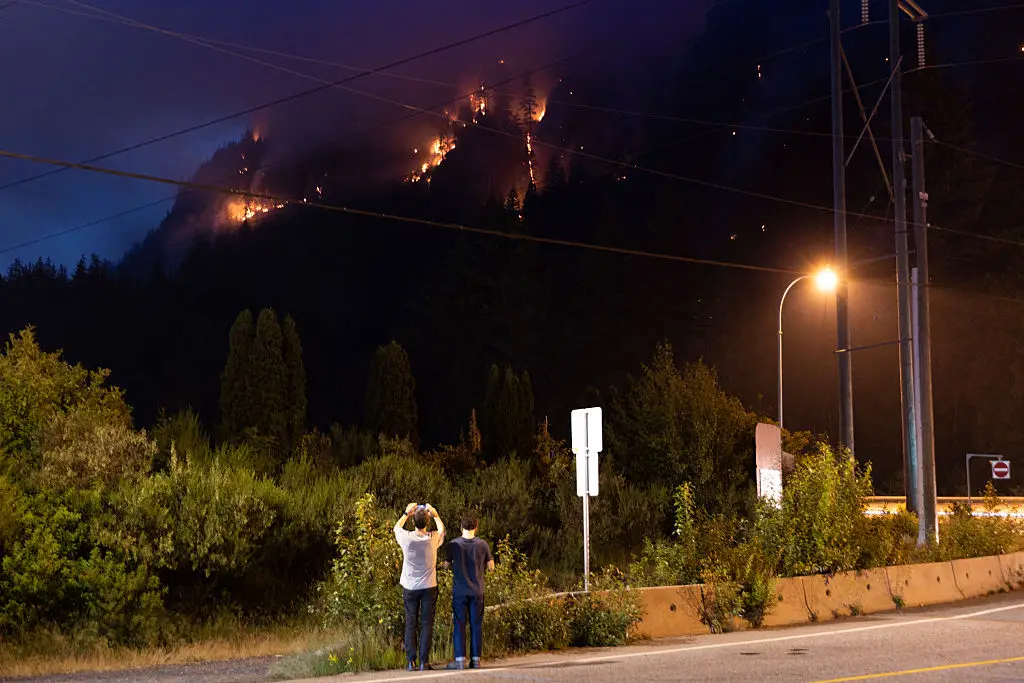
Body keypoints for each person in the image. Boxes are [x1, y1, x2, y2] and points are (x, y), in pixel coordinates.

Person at [394, 502, 445, 671]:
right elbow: (442, 530)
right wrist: (435, 514)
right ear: (427, 523)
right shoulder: (432, 538)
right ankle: (424, 661)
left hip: (410, 587)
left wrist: (406, 513)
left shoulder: (406, 538)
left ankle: (411, 661)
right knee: (427, 624)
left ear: (413, 522)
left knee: (411, 623)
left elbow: (396, 528)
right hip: (429, 587)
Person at [445, 514, 494, 670]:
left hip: (459, 591)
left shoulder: (453, 544)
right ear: (476, 526)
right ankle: (476, 660)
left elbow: (446, 565)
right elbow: (491, 566)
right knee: (476, 624)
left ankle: (460, 659)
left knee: (459, 624)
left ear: (461, 527)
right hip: (477, 591)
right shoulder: (483, 544)